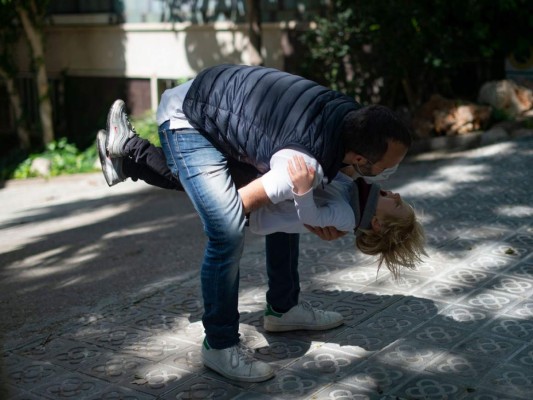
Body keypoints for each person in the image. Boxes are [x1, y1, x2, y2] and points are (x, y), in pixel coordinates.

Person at [101, 64, 413, 383]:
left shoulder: (350, 118)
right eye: (388, 166)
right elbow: (238, 205)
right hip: (188, 119)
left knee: (288, 195)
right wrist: (306, 212)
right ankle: (219, 344)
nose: (391, 181)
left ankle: (283, 308)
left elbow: (325, 177)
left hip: (219, 98)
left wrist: (307, 210)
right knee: (227, 228)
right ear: (360, 158)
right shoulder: (305, 162)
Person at [97, 139, 425, 281]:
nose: (394, 194)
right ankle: (126, 165)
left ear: (379, 224)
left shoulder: (349, 216)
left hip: (260, 208)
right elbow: (337, 172)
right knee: (191, 178)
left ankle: (130, 151)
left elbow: (311, 216)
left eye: (395, 202)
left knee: (194, 176)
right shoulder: (354, 195)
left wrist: (302, 189)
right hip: (267, 196)